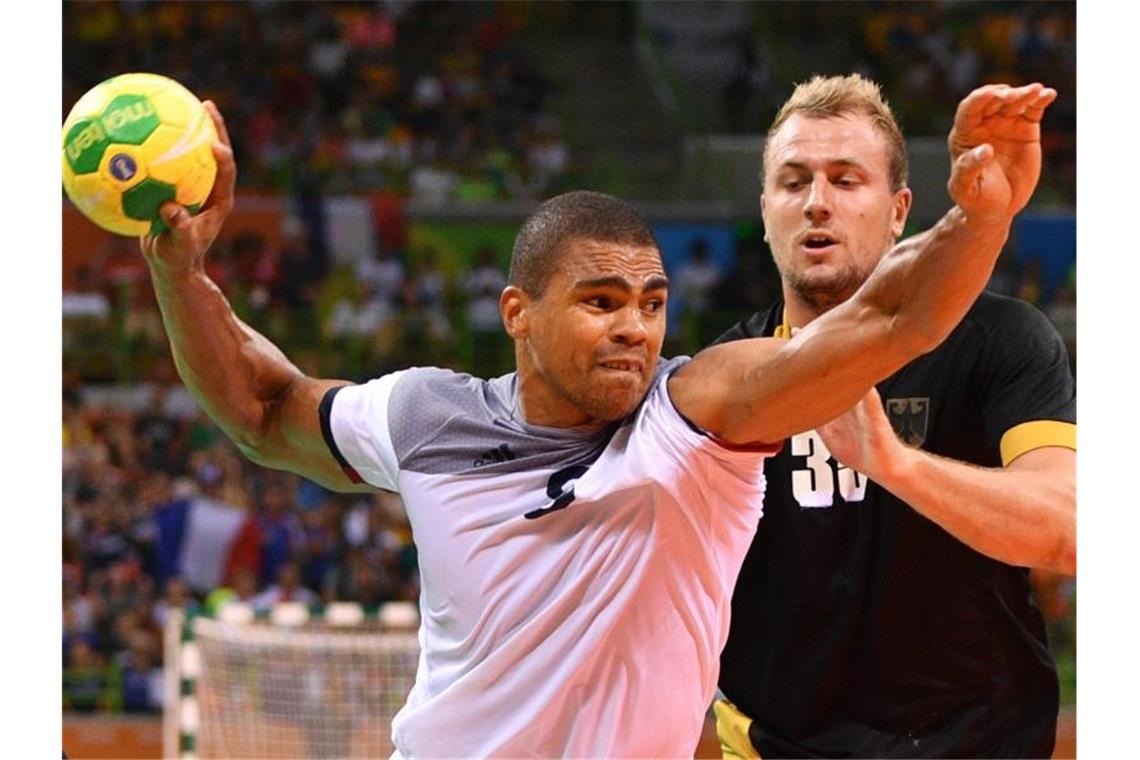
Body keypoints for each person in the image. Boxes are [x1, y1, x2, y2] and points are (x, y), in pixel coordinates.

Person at [138, 81, 1054, 757]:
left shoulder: (696, 416)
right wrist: (181, 273)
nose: (635, 329)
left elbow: (893, 320)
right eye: (601, 301)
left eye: (652, 303)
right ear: (517, 313)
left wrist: (979, 218)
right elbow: (264, 406)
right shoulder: (427, 417)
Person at [712, 74, 1075, 758]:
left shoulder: (1002, 341)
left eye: (847, 181)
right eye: (793, 183)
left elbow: (1073, 529)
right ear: (765, 211)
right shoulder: (729, 372)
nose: (817, 203)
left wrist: (896, 465)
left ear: (900, 209)